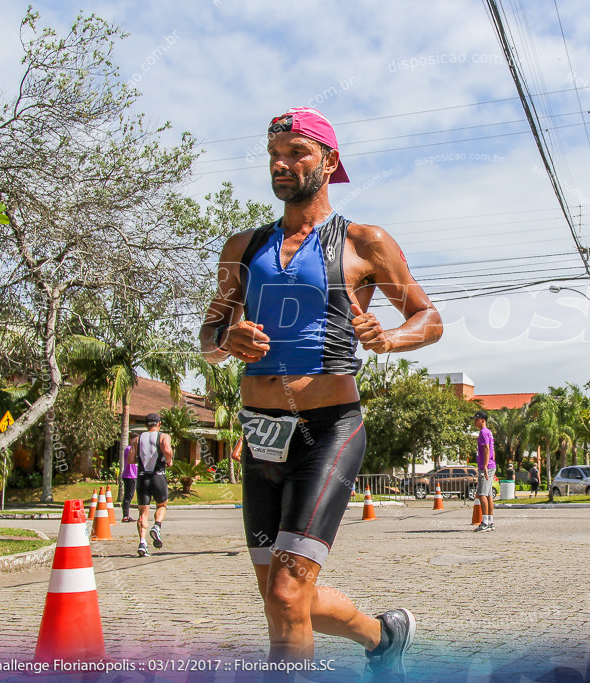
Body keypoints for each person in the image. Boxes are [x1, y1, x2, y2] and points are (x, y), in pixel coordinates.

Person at [199, 107, 442, 677]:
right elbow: (208, 337)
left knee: (286, 594)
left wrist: (388, 338)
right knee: (285, 598)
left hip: (330, 427)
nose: (282, 164)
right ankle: (384, 636)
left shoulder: (364, 241)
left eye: (297, 153)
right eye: (275, 155)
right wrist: (226, 338)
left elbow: (428, 318)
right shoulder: (243, 246)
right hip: (260, 432)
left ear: (329, 162)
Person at [127, 413, 173, 556]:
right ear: (159, 424)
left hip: (142, 478)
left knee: (143, 512)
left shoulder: (137, 439)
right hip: (158, 476)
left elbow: (130, 460)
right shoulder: (163, 436)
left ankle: (142, 543)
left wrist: (142, 459)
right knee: (162, 505)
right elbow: (166, 450)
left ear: (146, 425)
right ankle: (157, 527)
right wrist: (169, 460)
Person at [473, 411, 496, 532]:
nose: (474, 421)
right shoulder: (489, 432)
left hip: (485, 466)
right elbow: (493, 450)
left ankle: (485, 522)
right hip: (491, 465)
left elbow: (487, 449)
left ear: (482, 420)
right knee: (488, 495)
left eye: (476, 419)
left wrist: (485, 466)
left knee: (482, 494)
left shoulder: (483, 432)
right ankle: (490, 521)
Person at [120, 443, 138, 523]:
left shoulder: (135, 448)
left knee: (130, 496)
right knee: (128, 496)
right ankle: (125, 516)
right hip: (129, 476)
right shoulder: (129, 448)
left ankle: (126, 515)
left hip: (134, 475)